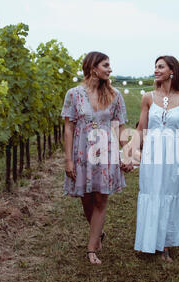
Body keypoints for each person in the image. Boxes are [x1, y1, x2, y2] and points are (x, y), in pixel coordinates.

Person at [62, 51, 132, 265]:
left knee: (101, 199)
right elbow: (68, 128)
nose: (110, 69)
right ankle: (97, 232)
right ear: (93, 68)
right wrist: (68, 160)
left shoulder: (114, 95)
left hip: (106, 152)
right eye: (106, 65)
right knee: (86, 198)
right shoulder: (73, 94)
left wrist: (127, 154)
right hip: (82, 153)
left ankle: (91, 249)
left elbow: (120, 127)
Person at [131, 55, 179, 262]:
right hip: (152, 155)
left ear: (172, 71)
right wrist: (131, 153)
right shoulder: (148, 97)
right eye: (155, 66)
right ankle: (149, 242)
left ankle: (165, 246)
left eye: (161, 66)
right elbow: (141, 129)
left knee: (170, 194)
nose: (156, 70)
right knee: (151, 193)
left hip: (174, 155)